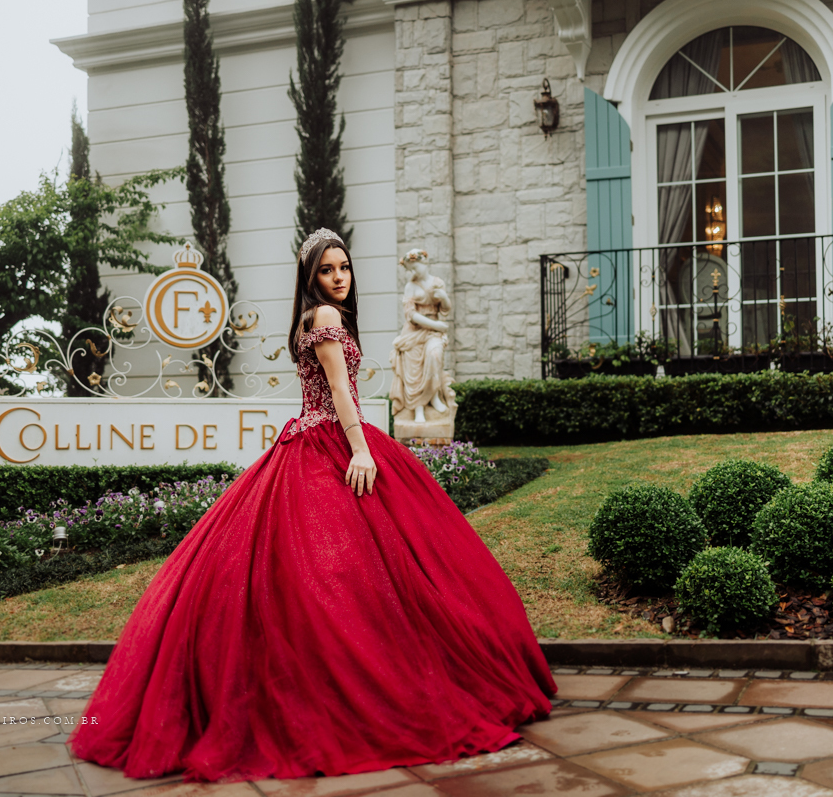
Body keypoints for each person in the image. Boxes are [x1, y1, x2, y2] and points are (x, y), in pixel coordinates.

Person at [68, 228, 555, 783]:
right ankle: (362, 695)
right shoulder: (323, 318)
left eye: (344, 267)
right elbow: (341, 392)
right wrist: (363, 449)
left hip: (317, 439)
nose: (339, 277)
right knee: (340, 574)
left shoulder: (324, 317)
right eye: (327, 270)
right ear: (310, 279)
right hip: (331, 443)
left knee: (363, 571)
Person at [390, 248, 456, 424]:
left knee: (434, 355)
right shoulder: (410, 287)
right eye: (409, 269)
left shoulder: (437, 283)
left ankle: (434, 397)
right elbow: (411, 315)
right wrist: (437, 325)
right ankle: (418, 407)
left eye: (415, 267)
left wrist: (444, 298)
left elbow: (446, 308)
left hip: (433, 333)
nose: (412, 272)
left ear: (425, 263)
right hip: (414, 331)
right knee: (413, 365)